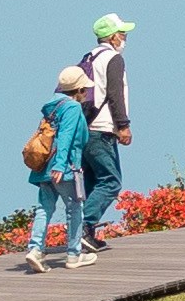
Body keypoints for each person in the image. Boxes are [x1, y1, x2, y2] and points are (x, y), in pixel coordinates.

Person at [25, 65, 97, 274]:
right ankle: (74, 254)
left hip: (43, 168)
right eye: (84, 89)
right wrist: (60, 165)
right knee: (74, 208)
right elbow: (66, 136)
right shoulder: (73, 108)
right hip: (65, 167)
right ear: (79, 90)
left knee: (43, 208)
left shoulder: (52, 107)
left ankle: (35, 249)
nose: (86, 93)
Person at [78, 16, 135, 241]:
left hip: (85, 127)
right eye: (122, 34)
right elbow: (115, 94)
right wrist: (123, 125)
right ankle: (84, 227)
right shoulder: (113, 59)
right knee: (111, 181)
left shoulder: (89, 57)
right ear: (112, 37)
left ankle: (85, 234)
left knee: (93, 182)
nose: (125, 39)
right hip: (102, 128)